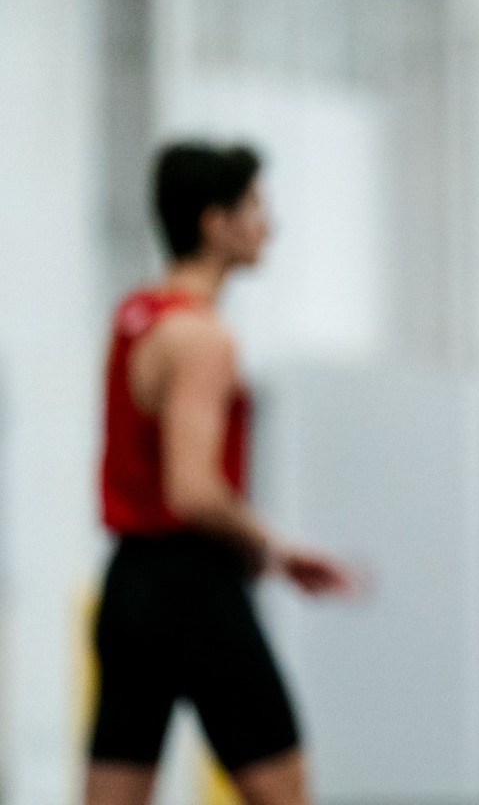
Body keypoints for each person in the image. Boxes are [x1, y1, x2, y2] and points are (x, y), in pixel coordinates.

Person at [86, 142, 354, 805]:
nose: (269, 225)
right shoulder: (203, 337)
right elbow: (193, 489)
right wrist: (272, 547)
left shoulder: (134, 316)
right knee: (284, 792)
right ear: (215, 223)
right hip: (194, 589)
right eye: (255, 207)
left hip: (129, 587)